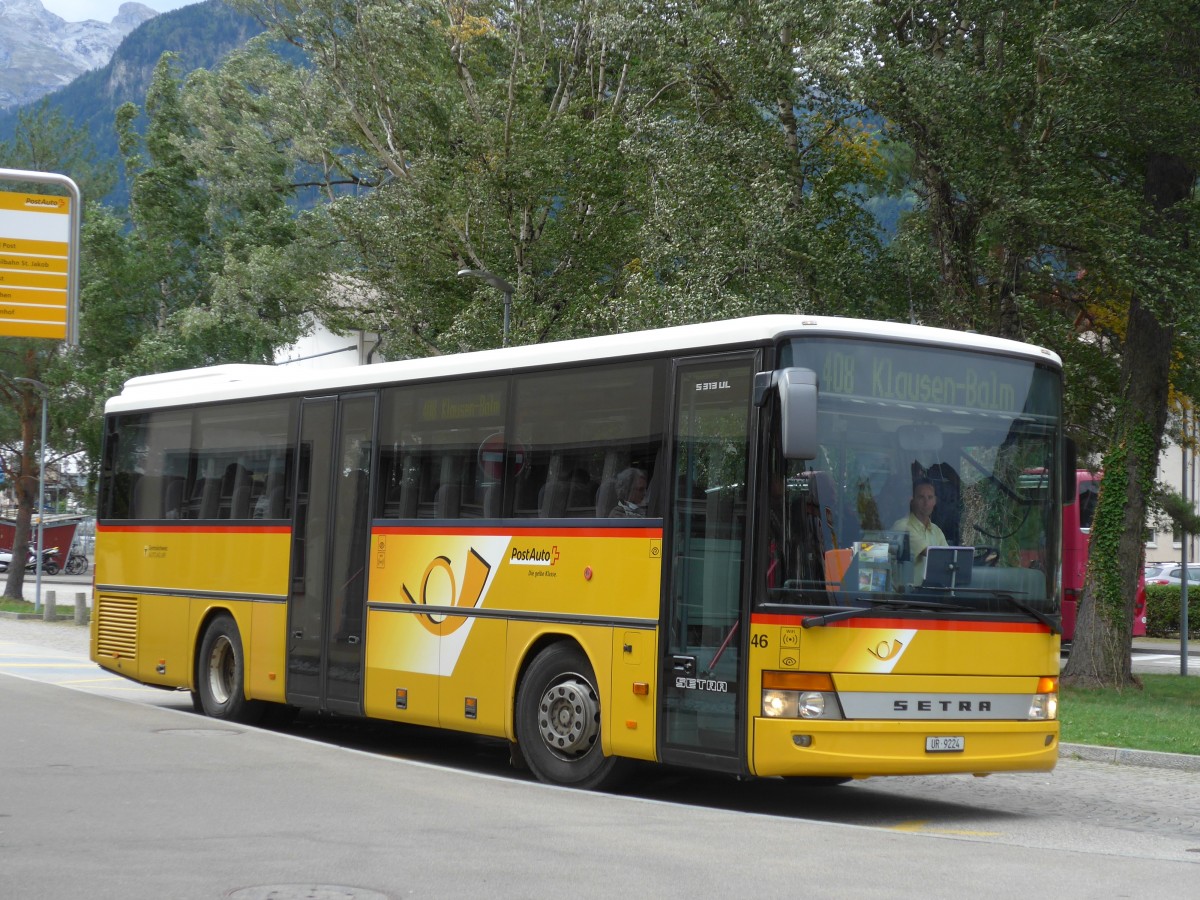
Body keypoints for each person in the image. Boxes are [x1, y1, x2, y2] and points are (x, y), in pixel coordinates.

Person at [891, 477, 947, 581]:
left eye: (930, 497)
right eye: (921, 497)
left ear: (935, 501)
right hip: (907, 595)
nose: (926, 503)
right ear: (912, 500)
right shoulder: (901, 526)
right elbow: (931, 553)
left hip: (933, 592)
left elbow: (948, 559)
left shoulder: (937, 531)